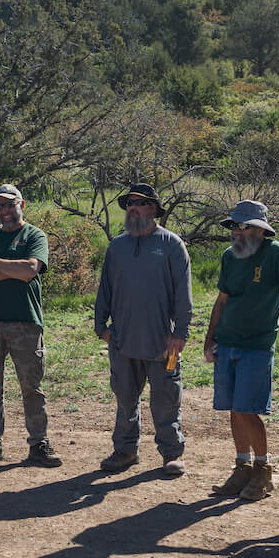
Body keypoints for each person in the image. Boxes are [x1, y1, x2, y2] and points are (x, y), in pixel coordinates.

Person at [202, 200, 279, 501]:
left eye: (242, 227)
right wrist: (209, 338)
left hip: (257, 346)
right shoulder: (230, 257)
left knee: (248, 410)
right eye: (233, 226)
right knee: (234, 409)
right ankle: (242, 466)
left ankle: (263, 470)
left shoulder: (275, 253)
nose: (235, 233)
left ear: (259, 230)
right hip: (227, 343)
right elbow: (222, 301)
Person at [93, 183, 194, 475]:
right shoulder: (117, 246)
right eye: (129, 203)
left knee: (166, 400)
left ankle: (172, 453)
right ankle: (125, 451)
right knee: (125, 398)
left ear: (153, 209)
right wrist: (102, 327)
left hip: (162, 341)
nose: (132, 208)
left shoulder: (172, 244)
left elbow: (183, 295)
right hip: (122, 339)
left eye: (139, 203)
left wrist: (181, 333)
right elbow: (105, 290)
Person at [0, 185, 60, 468]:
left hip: (26, 321)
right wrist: (11, 270)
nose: (4, 211)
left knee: (32, 386)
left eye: (9, 204)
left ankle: (38, 443)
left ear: (22, 204)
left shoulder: (34, 235)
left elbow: (30, 271)